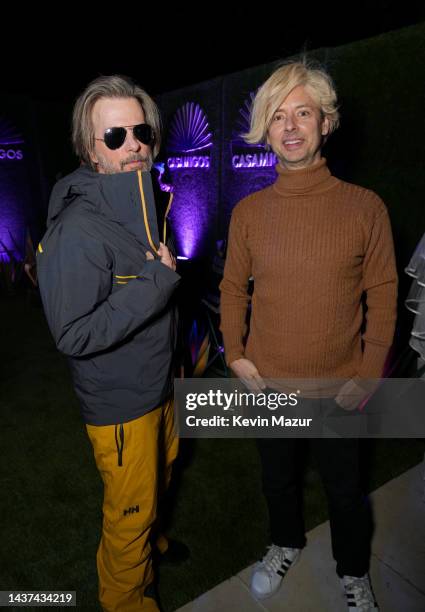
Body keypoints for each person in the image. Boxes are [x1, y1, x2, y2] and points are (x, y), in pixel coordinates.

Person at [220, 60, 398, 611]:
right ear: (265, 130)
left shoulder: (366, 207)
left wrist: (368, 375)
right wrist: (235, 354)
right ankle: (285, 541)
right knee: (278, 482)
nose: (291, 126)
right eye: (277, 116)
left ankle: (353, 574)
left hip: (340, 391)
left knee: (346, 495)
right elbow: (232, 288)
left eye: (303, 113)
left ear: (326, 123)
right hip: (268, 385)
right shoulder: (249, 212)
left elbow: (385, 294)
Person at [37, 75, 186, 612]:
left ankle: (150, 541)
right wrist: (154, 283)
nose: (135, 145)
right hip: (121, 406)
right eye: (115, 136)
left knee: (160, 478)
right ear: (89, 150)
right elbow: (73, 333)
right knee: (129, 515)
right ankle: (128, 595)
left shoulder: (142, 203)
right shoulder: (78, 229)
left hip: (160, 387)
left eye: (141, 130)